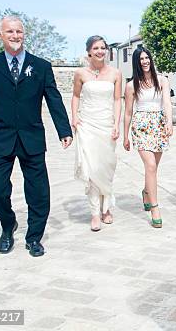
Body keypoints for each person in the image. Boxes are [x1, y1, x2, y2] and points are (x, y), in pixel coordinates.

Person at [0, 15, 72, 257]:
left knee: (39, 192)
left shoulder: (41, 66)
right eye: (9, 31)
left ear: (24, 34)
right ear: (0, 35)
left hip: (32, 138)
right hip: (0, 138)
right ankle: (8, 224)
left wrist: (64, 130)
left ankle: (34, 238)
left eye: (19, 31)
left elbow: (53, 98)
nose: (15, 36)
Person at [71, 35, 122, 232]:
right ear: (89, 51)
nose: (100, 51)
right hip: (88, 125)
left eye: (103, 47)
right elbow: (76, 96)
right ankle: (94, 212)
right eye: (96, 48)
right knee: (91, 169)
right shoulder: (80, 73)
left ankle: (106, 208)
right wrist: (74, 117)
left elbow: (117, 100)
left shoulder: (115, 73)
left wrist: (116, 124)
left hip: (107, 125)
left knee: (106, 167)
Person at [123, 46, 173, 228]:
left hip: (159, 125)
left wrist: (169, 122)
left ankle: (146, 192)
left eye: (147, 58)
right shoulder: (130, 85)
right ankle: (155, 208)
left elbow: (167, 102)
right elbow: (128, 112)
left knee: (154, 168)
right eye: (141, 59)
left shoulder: (162, 80)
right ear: (136, 63)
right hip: (141, 126)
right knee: (150, 166)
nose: (144, 61)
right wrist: (125, 136)